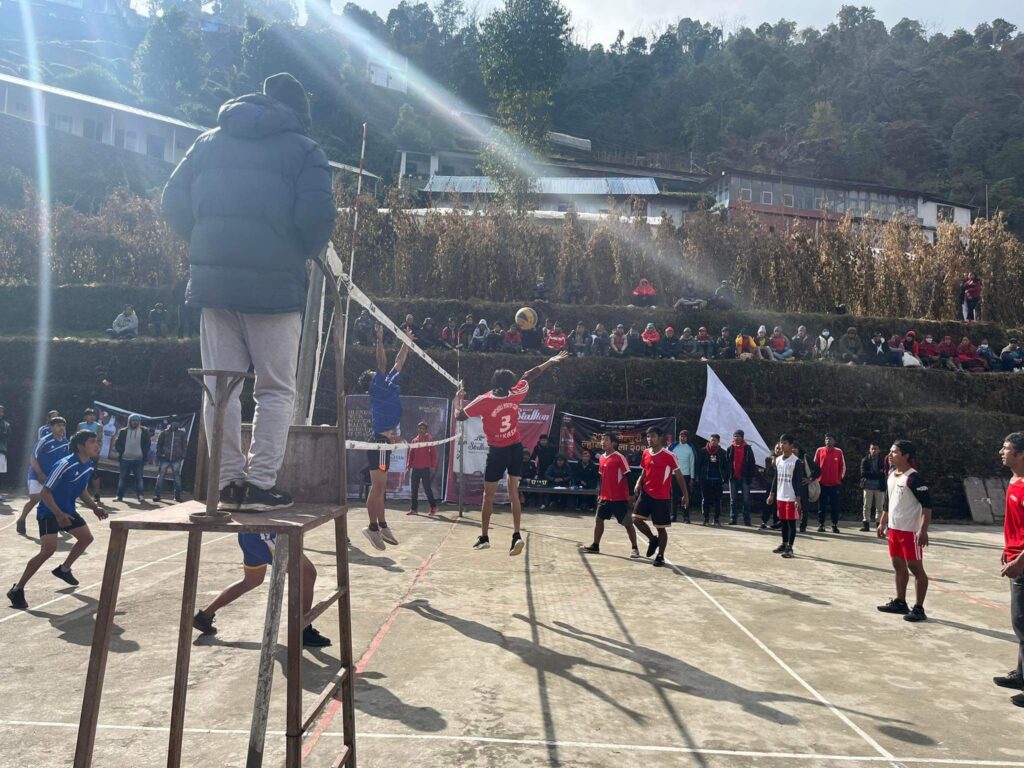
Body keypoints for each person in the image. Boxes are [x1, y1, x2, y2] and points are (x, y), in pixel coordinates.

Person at [162, 72, 336, 514]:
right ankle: (259, 485)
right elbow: (317, 217)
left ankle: (225, 484)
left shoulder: (206, 143)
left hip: (214, 288)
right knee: (275, 389)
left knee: (220, 388)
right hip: (275, 289)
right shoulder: (305, 150)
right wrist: (296, 252)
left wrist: (205, 246)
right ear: (300, 113)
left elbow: (172, 201)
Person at [455, 351, 568, 554]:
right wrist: (550, 361)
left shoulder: (484, 400)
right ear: (509, 383)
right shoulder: (516, 393)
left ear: (495, 382)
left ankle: (484, 537)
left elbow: (459, 416)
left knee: (488, 495)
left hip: (497, 452)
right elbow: (530, 375)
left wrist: (458, 399)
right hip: (516, 449)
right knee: (513, 493)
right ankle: (516, 535)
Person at [7, 430, 107, 610]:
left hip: (68, 510)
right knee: (48, 550)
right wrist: (59, 514)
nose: (97, 445)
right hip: (49, 511)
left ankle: (64, 569)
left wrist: (94, 507)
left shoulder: (89, 465)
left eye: (97, 442)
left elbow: (82, 490)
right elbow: (45, 492)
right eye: (92, 442)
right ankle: (17, 589)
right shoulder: (64, 464)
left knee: (86, 538)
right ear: (80, 446)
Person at [192, 531, 330, 647]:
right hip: (265, 536)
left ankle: (204, 616)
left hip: (250, 534)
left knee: (252, 580)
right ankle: (302, 629)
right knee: (307, 574)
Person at [359, 324, 409, 550]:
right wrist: (379, 339)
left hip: (384, 442)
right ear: (371, 380)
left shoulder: (389, 382)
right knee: (377, 487)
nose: (376, 372)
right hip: (378, 443)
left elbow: (399, 362)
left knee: (381, 488)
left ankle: (382, 524)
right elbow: (382, 362)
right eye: (373, 373)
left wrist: (406, 342)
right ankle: (371, 528)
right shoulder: (377, 386)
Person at [876, 440, 932, 623]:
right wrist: (883, 523)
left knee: (915, 568)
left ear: (906, 455)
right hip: (894, 530)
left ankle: (919, 608)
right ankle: (900, 602)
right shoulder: (891, 475)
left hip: (910, 531)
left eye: (894, 452)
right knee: (898, 565)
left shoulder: (914, 478)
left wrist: (923, 530)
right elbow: (888, 502)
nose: (890, 455)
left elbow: (927, 506)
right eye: (890, 451)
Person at [996, 432, 1024, 707]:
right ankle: (1021, 674)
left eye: (1006, 448)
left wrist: (1020, 561)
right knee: (1019, 622)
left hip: (1022, 562)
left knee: (1023, 623)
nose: (1001, 452)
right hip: (1015, 557)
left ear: (1021, 454)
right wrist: (1008, 550)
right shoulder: (1014, 481)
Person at [632, 427, 688, 567]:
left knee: (661, 528)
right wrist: (638, 482)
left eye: (653, 436)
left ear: (660, 437)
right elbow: (644, 470)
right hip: (646, 493)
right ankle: (652, 539)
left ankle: (660, 555)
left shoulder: (669, 455)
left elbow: (679, 476)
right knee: (636, 519)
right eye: (648, 436)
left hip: (661, 497)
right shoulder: (645, 452)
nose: (649, 439)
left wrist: (685, 495)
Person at [584, 434, 640, 557]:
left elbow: (629, 476)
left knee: (627, 524)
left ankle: (635, 548)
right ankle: (595, 545)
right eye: (602, 440)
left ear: (613, 443)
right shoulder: (602, 458)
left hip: (619, 498)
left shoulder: (620, 457)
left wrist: (631, 495)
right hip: (604, 498)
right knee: (598, 520)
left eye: (606, 440)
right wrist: (600, 493)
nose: (603, 442)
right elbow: (601, 477)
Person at [17, 416, 69, 536]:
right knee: (35, 499)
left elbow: (65, 461)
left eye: (63, 425)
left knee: (55, 500)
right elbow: (33, 458)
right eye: (58, 425)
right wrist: (40, 473)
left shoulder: (66, 443)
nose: (61, 428)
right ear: (51, 427)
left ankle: (57, 522)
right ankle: (21, 519)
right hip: (36, 475)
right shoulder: (44, 441)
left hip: (53, 477)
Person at [766, 434, 805, 559]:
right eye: (781, 443)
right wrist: (771, 494)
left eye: (785, 443)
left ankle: (790, 547)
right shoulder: (778, 460)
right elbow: (776, 478)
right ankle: (784, 544)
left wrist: (798, 499)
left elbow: (798, 482)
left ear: (791, 445)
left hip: (791, 497)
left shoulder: (796, 461)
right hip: (780, 496)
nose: (782, 445)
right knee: (783, 521)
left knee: (791, 523)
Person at [114, 414, 151, 503]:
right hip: (125, 459)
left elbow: (148, 444)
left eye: (137, 420)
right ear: (129, 421)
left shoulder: (144, 431)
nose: (135, 422)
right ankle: (119, 496)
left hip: (139, 460)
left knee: (139, 479)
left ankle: (140, 496)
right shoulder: (123, 431)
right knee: (122, 478)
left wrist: (142, 453)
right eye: (134, 420)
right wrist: (122, 452)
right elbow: (117, 443)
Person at [814, 433, 846, 532]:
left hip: (834, 485)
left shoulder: (839, 452)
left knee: (834, 506)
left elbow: (843, 466)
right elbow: (815, 465)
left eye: (830, 439)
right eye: (827, 439)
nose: (828, 441)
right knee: (821, 506)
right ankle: (821, 524)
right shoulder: (819, 450)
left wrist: (839, 479)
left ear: (834, 441)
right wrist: (816, 478)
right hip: (822, 484)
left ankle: (834, 525)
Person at [406, 422, 439, 517]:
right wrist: (408, 466)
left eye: (423, 428)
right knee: (414, 490)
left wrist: (433, 466)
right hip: (415, 469)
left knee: (427, 489)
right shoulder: (414, 441)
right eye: (419, 428)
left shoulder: (429, 440)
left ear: (426, 430)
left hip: (425, 469)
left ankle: (433, 507)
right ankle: (414, 509)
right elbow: (411, 455)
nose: (421, 430)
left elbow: (433, 454)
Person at [696, 433, 728, 526]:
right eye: (711, 440)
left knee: (718, 500)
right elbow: (698, 465)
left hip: (718, 479)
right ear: (709, 440)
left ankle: (716, 519)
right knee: (705, 499)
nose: (713, 442)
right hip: (705, 479)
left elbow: (726, 466)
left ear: (718, 441)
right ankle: (706, 518)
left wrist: (725, 477)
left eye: (715, 440)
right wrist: (698, 477)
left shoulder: (722, 452)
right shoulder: (703, 451)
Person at [726, 430, 757, 526]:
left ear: (742, 437)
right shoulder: (730, 448)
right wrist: (728, 475)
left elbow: (752, 463)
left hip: (744, 477)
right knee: (733, 499)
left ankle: (747, 520)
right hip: (733, 477)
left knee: (746, 500)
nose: (736, 438)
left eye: (738, 436)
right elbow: (727, 463)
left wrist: (750, 476)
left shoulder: (748, 448)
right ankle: (733, 519)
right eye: (735, 436)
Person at [153, 421, 188, 503]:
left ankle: (177, 496)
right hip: (165, 458)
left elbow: (184, 445)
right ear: (170, 424)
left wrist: (182, 455)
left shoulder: (182, 434)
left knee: (177, 477)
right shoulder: (164, 433)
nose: (175, 425)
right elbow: (159, 444)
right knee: (160, 476)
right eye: (173, 423)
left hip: (176, 458)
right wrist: (160, 454)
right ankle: (157, 495)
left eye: (177, 423)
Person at [77, 408, 103, 502]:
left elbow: (100, 440)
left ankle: (96, 494)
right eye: (89, 415)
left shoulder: (99, 426)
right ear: (85, 417)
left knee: (94, 472)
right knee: (81, 472)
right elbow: (77, 439)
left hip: (93, 453)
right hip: (82, 453)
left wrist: (97, 451)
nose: (92, 417)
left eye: (93, 415)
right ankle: (81, 493)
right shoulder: (80, 425)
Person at [669, 429, 695, 523]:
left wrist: (692, 478)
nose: (682, 438)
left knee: (685, 496)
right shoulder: (673, 447)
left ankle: (686, 517)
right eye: (681, 436)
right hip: (674, 475)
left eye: (684, 436)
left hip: (686, 476)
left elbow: (692, 464)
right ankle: (673, 515)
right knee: (674, 496)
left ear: (687, 438)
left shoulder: (690, 449)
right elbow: (669, 461)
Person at [860, 442, 886, 532]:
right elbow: (863, 473)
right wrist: (876, 474)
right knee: (866, 506)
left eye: (876, 449)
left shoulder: (883, 461)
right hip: (867, 486)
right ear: (869, 450)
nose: (874, 450)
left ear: (879, 450)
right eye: (872, 449)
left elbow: (884, 473)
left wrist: (872, 474)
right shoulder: (865, 460)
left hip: (879, 486)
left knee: (880, 507)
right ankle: (866, 524)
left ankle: (879, 524)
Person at [530, 434, 558, 510]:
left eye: (544, 440)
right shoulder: (537, 447)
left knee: (549, 487)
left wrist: (554, 468)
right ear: (539, 440)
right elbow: (533, 458)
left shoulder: (552, 447)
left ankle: (549, 503)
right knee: (542, 486)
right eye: (542, 440)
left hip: (551, 470)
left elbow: (555, 458)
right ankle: (541, 503)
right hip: (541, 470)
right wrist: (533, 467)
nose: (543, 442)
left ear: (547, 441)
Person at [0, 405, 10, 500]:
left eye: (1, 411)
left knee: (0, 472)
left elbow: (8, 437)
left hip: (1, 450)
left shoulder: (6, 425)